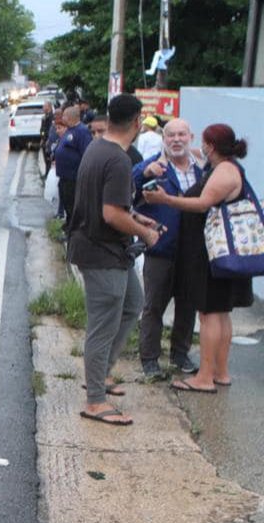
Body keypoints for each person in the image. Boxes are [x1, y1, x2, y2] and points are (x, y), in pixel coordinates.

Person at [68, 94, 161, 426]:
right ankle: (95, 400)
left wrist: (137, 218)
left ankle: (101, 375)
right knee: (102, 326)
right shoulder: (119, 159)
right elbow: (110, 214)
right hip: (101, 252)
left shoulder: (99, 147)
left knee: (133, 304)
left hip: (106, 251)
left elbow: (112, 206)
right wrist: (145, 234)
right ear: (137, 122)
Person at [144, 124, 255, 393]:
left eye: (202, 142)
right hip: (226, 254)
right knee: (221, 313)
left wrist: (168, 200)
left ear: (211, 146)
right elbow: (185, 150)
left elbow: (203, 203)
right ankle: (220, 372)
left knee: (209, 315)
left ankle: (204, 377)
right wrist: (172, 149)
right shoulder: (225, 165)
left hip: (214, 255)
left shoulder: (224, 172)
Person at [131, 118, 202, 379]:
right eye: (170, 135)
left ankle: (180, 354)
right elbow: (130, 183)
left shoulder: (201, 168)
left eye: (181, 134)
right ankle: (150, 359)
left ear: (190, 137)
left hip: (192, 251)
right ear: (163, 139)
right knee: (153, 307)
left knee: (187, 305)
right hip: (161, 249)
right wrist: (145, 173)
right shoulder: (154, 165)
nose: (176, 140)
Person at [54, 106, 92, 228]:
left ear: (70, 117)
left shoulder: (81, 131)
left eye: (64, 115)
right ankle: (68, 225)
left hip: (74, 178)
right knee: (66, 203)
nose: (62, 117)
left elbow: (86, 154)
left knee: (73, 205)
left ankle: (73, 229)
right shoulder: (70, 130)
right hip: (64, 176)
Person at [39, 100, 55, 179]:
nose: (43, 108)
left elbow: (49, 130)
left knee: (48, 159)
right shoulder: (45, 117)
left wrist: (46, 140)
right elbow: (42, 130)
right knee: (46, 159)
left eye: (44, 106)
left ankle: (48, 174)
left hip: (48, 141)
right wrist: (42, 138)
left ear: (49, 107)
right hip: (44, 140)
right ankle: (46, 173)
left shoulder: (51, 117)